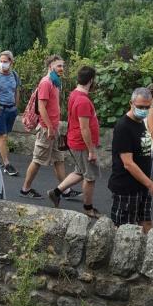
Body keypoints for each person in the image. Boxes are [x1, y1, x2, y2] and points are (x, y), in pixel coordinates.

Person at [19, 55, 80, 200]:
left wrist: (55, 127)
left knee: (59, 159)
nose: (61, 69)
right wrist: (49, 128)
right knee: (38, 160)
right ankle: (25, 189)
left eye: (63, 66)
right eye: (59, 66)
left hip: (54, 127)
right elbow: (41, 107)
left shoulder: (55, 82)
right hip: (47, 129)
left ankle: (64, 190)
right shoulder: (46, 83)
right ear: (50, 66)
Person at [108, 87, 153, 233]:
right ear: (131, 103)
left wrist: (148, 185)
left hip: (142, 185)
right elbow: (128, 163)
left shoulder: (140, 122)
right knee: (124, 230)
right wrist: (152, 185)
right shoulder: (123, 127)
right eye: (140, 107)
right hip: (126, 188)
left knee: (146, 222)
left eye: (147, 107)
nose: (144, 110)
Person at [47, 66, 102, 218]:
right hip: (82, 144)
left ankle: (56, 192)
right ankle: (88, 208)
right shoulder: (83, 101)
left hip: (75, 141)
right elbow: (84, 128)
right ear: (91, 80)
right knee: (90, 177)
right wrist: (91, 150)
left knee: (79, 171)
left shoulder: (74, 94)